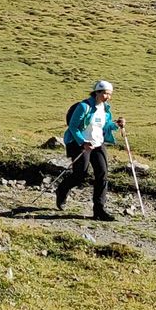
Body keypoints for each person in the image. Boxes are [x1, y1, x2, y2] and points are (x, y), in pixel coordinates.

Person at [55, 80, 123, 220]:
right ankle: (62, 190)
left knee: (102, 174)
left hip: (98, 144)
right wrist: (83, 142)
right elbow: (73, 127)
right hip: (80, 144)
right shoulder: (83, 106)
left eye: (109, 94)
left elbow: (104, 126)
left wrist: (116, 124)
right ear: (96, 92)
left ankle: (99, 210)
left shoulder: (105, 109)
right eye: (104, 93)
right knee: (80, 174)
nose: (107, 97)